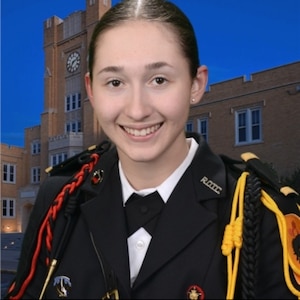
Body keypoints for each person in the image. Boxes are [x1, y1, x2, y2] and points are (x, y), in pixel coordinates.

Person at [4, 0, 300, 299]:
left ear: (196, 84)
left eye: (159, 80)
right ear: (91, 90)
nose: (137, 110)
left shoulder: (259, 215)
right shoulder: (59, 201)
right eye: (115, 82)